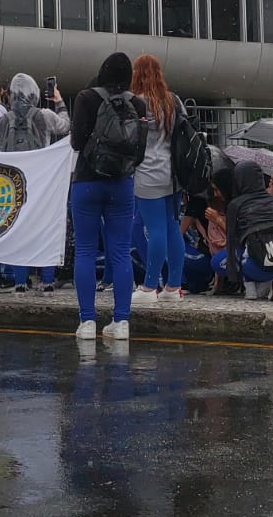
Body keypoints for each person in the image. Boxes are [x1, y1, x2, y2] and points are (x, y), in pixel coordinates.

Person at [69, 53, 147, 339]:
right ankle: (121, 321)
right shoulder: (137, 103)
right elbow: (139, 152)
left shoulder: (86, 98)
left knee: (86, 250)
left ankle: (87, 322)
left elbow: (76, 142)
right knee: (121, 251)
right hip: (121, 183)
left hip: (87, 181)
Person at [0, 72, 70, 292]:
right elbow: (65, 126)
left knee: (18, 229)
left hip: (13, 183)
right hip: (42, 182)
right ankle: (47, 280)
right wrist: (59, 102)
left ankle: (19, 281)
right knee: (46, 229)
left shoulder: (1, 122)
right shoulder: (44, 115)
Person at [130, 54, 188, 304]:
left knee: (154, 230)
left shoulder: (135, 102)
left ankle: (149, 287)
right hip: (173, 173)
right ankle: (174, 286)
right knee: (172, 228)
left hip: (147, 172)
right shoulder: (172, 100)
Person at [220, 161, 273, 299]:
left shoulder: (236, 204)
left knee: (218, 261)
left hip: (255, 265)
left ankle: (250, 286)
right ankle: (272, 283)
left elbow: (232, 239)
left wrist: (233, 275)